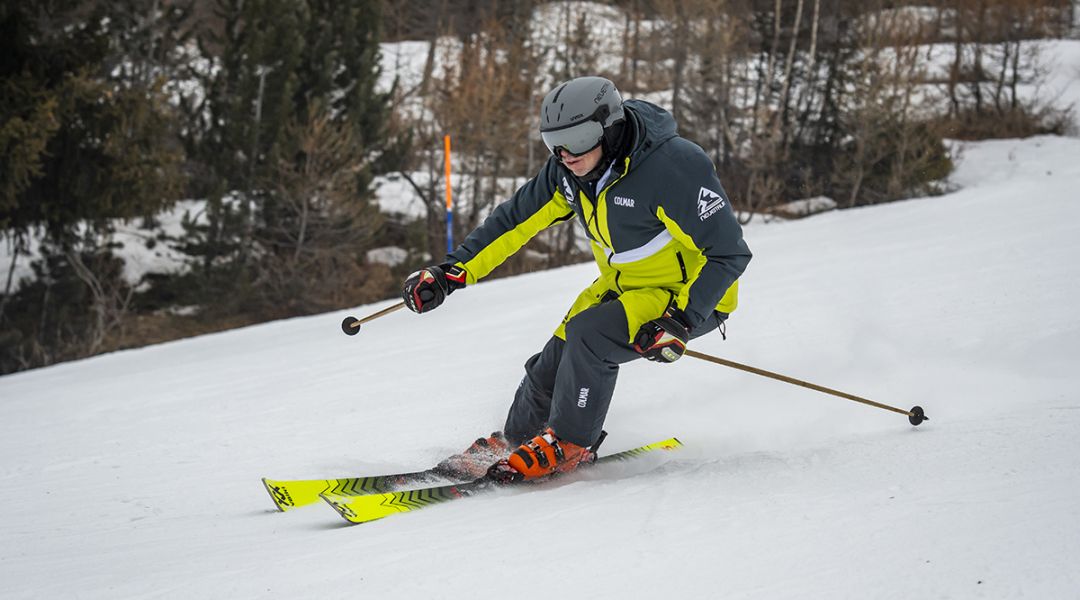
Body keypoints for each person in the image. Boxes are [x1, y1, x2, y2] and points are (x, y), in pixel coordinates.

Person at [401, 76, 752, 483]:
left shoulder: (672, 167)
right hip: (623, 288)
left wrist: (683, 319)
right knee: (552, 361)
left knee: (590, 337)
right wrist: (452, 272)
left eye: (579, 138)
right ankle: (518, 439)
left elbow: (729, 251)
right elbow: (515, 220)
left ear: (610, 126)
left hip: (688, 295)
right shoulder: (570, 172)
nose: (565, 154)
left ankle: (569, 443)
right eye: (554, 142)